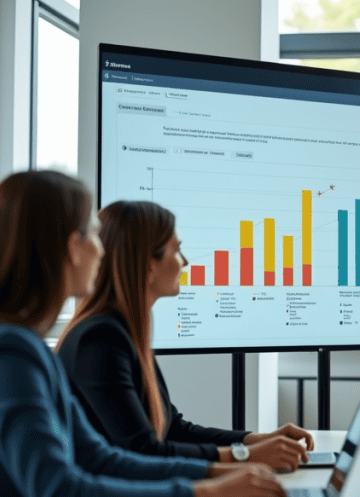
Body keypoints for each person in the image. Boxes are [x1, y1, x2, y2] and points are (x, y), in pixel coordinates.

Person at [0, 171, 287, 497]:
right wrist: (210, 492)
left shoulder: (28, 350)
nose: (101, 249)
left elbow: (101, 459)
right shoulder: (10, 355)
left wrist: (219, 476)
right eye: (93, 235)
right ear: (74, 248)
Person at [57, 201, 313, 471]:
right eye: (176, 251)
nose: (186, 262)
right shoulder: (100, 340)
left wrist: (256, 440)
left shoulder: (122, 331)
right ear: (148, 265)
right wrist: (245, 457)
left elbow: (173, 428)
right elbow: (143, 451)